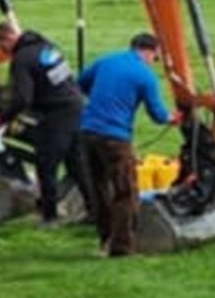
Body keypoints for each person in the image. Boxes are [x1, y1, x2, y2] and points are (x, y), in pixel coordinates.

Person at [75, 32, 176, 258]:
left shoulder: (106, 61)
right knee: (126, 191)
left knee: (99, 188)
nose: (154, 62)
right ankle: (122, 247)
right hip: (115, 137)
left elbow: (80, 83)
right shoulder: (145, 76)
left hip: (87, 132)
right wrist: (173, 118)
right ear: (150, 51)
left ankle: (105, 239)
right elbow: (158, 114)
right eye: (155, 58)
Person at [0, 21, 84, 225]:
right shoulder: (46, 46)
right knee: (77, 163)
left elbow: (23, 98)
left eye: (2, 48)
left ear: (7, 39)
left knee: (46, 165)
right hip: (77, 107)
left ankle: (50, 217)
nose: (4, 53)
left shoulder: (22, 60)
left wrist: (1, 118)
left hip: (56, 114)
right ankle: (94, 210)